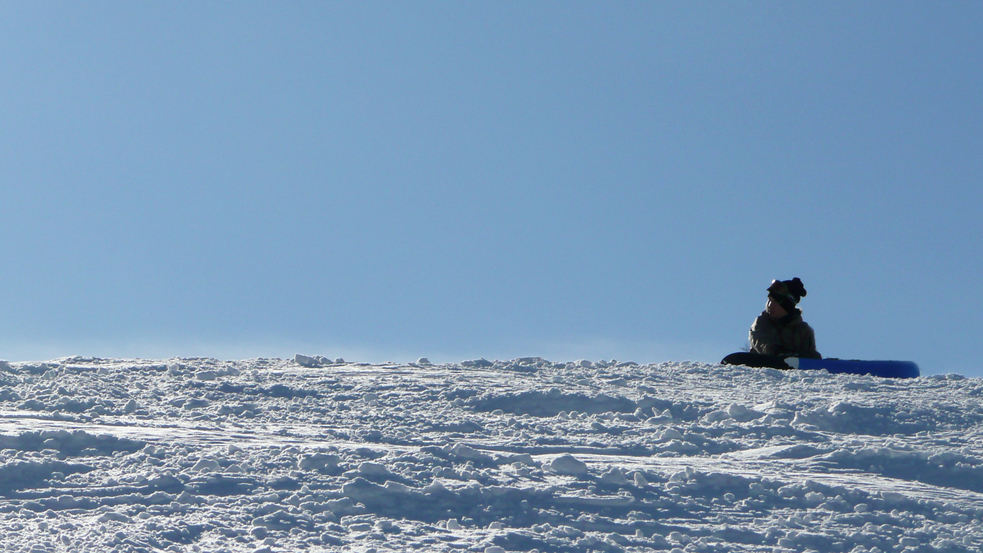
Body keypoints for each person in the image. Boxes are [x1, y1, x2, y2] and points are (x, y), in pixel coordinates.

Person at [749, 278, 821, 359]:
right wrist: (777, 352)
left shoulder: (803, 330)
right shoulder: (762, 322)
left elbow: (809, 356)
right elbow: (762, 342)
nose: (770, 305)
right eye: (769, 300)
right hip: (766, 366)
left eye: (776, 303)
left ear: (787, 308)